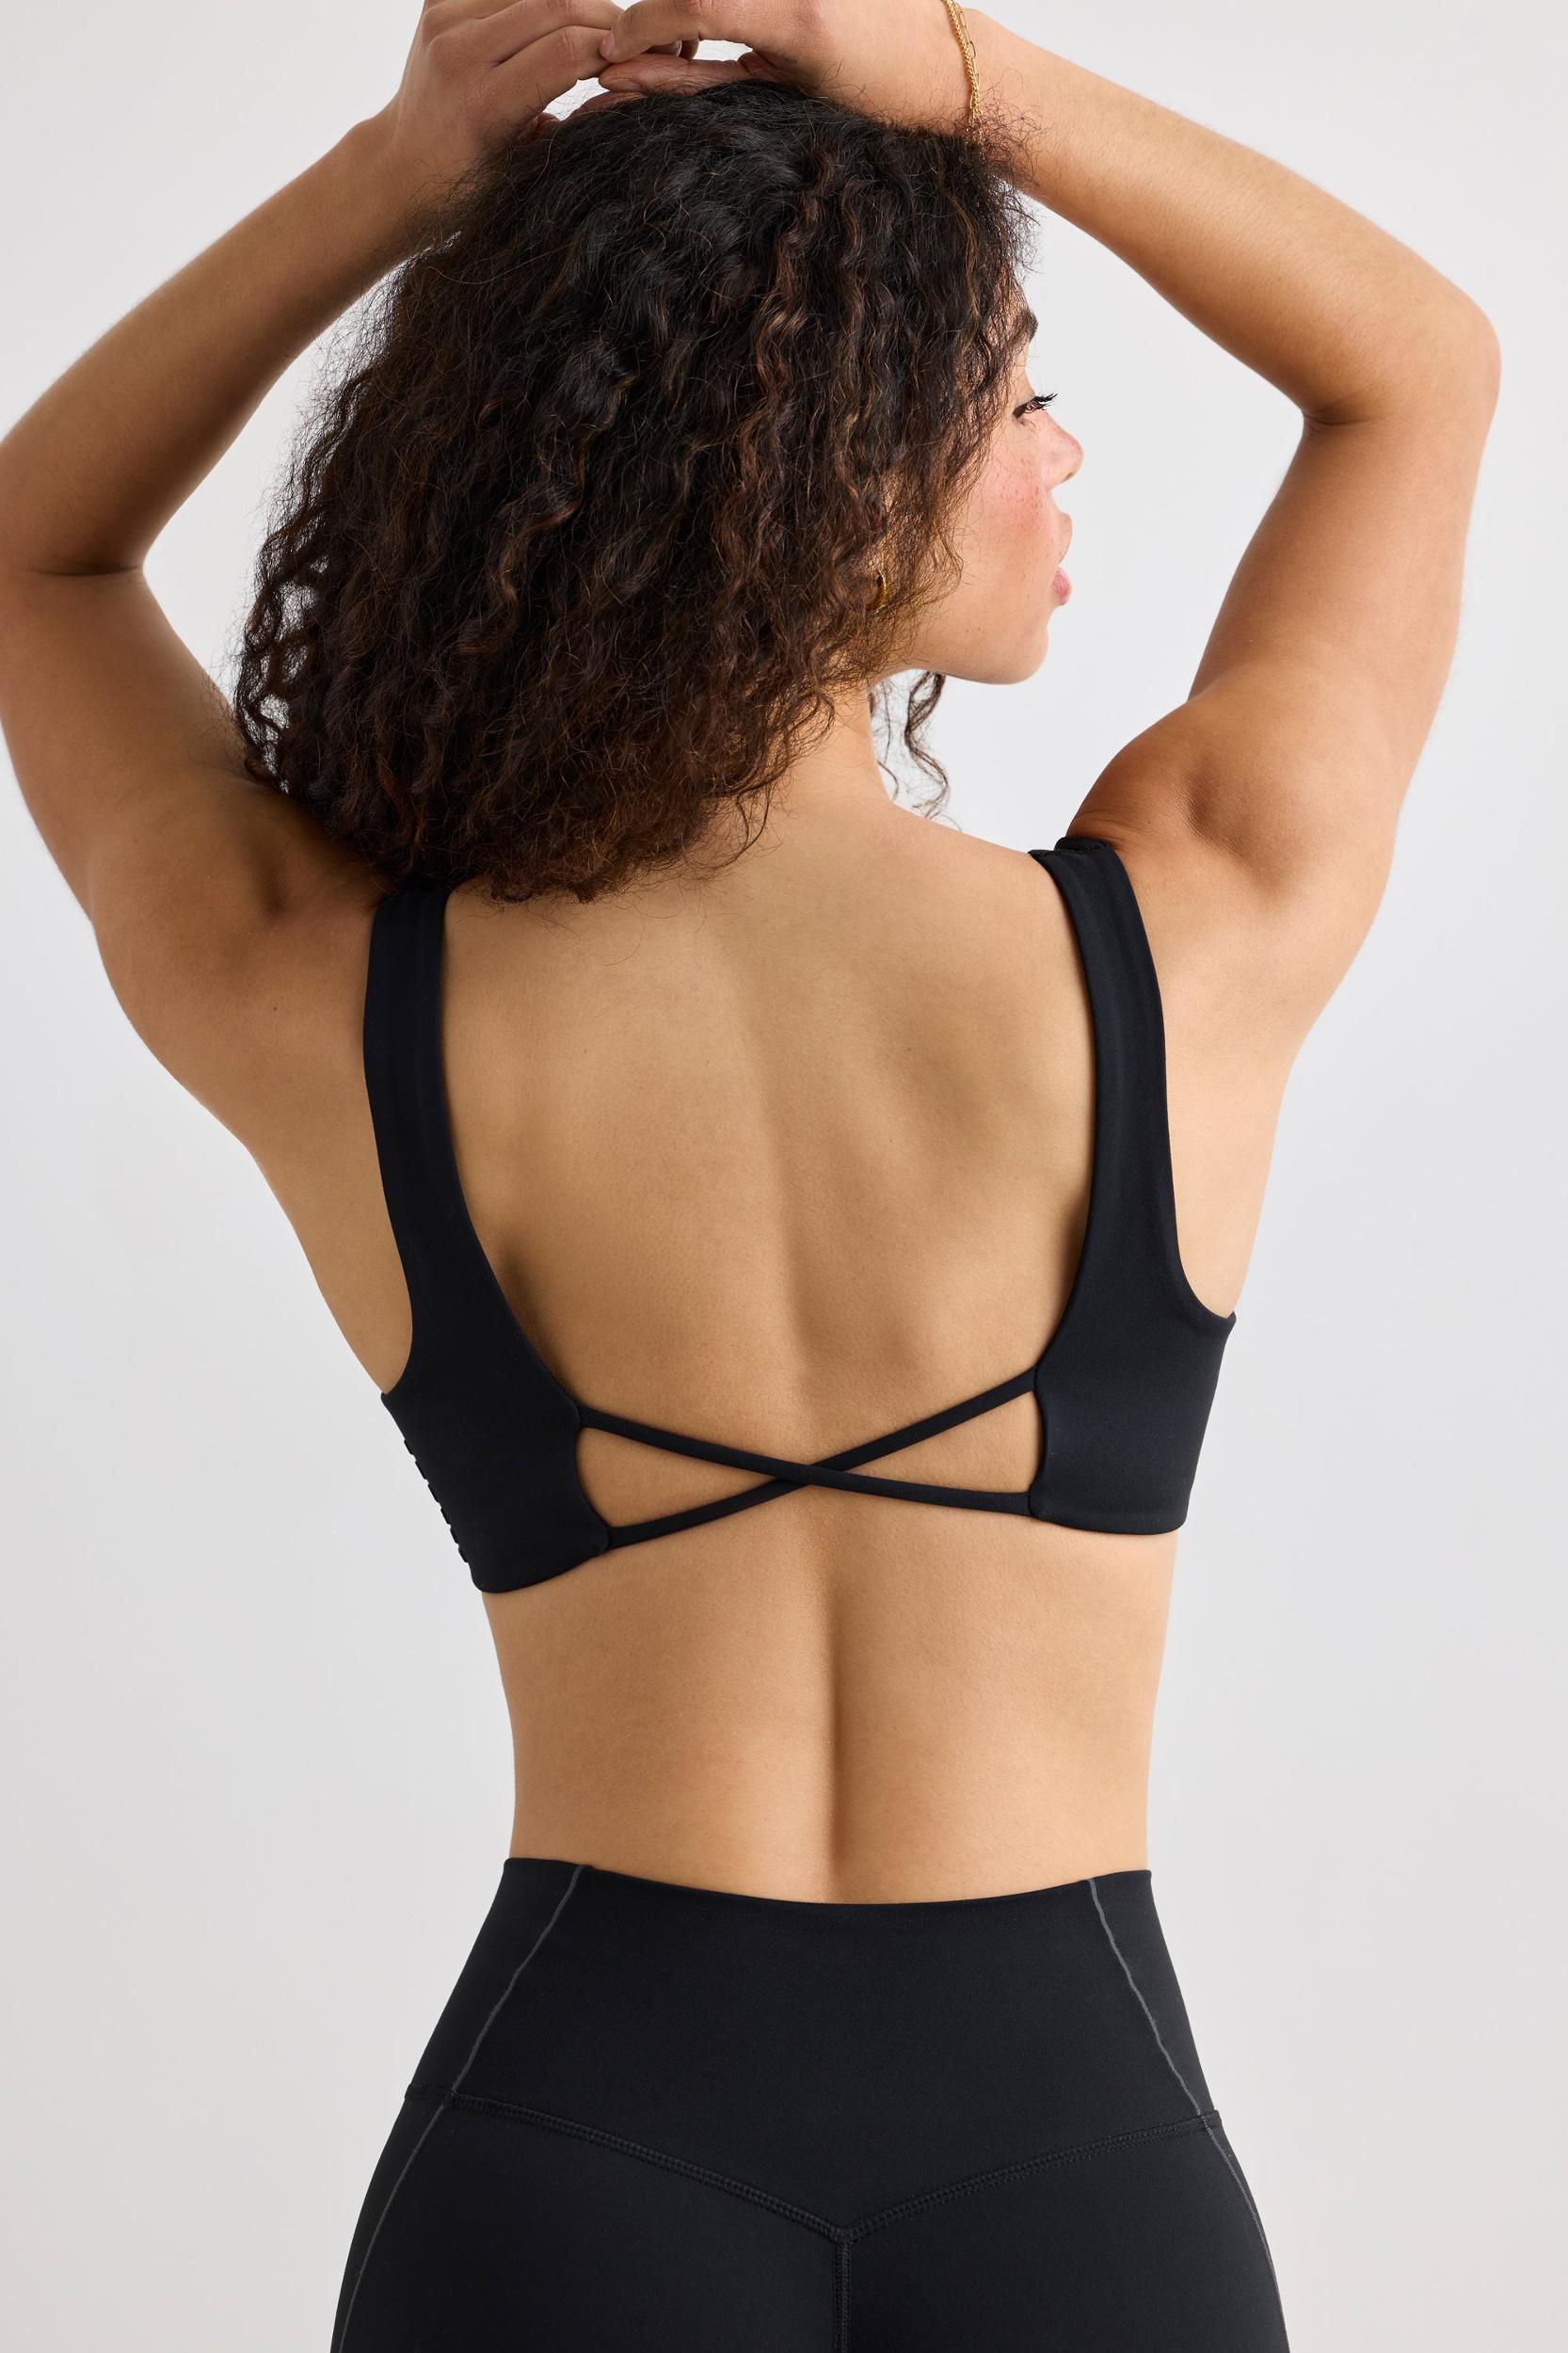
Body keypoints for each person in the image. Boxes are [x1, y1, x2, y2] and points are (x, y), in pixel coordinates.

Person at [0, 3, 1498, 2345]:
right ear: (829, 464)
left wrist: (395, 175)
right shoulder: (1188, 936)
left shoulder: (341, 1000)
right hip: (1076, 2163)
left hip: (568, 2159)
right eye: (1008, 401)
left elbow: (38, 553)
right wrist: (956, 68)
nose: (1061, 455)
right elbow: (1413, 365)